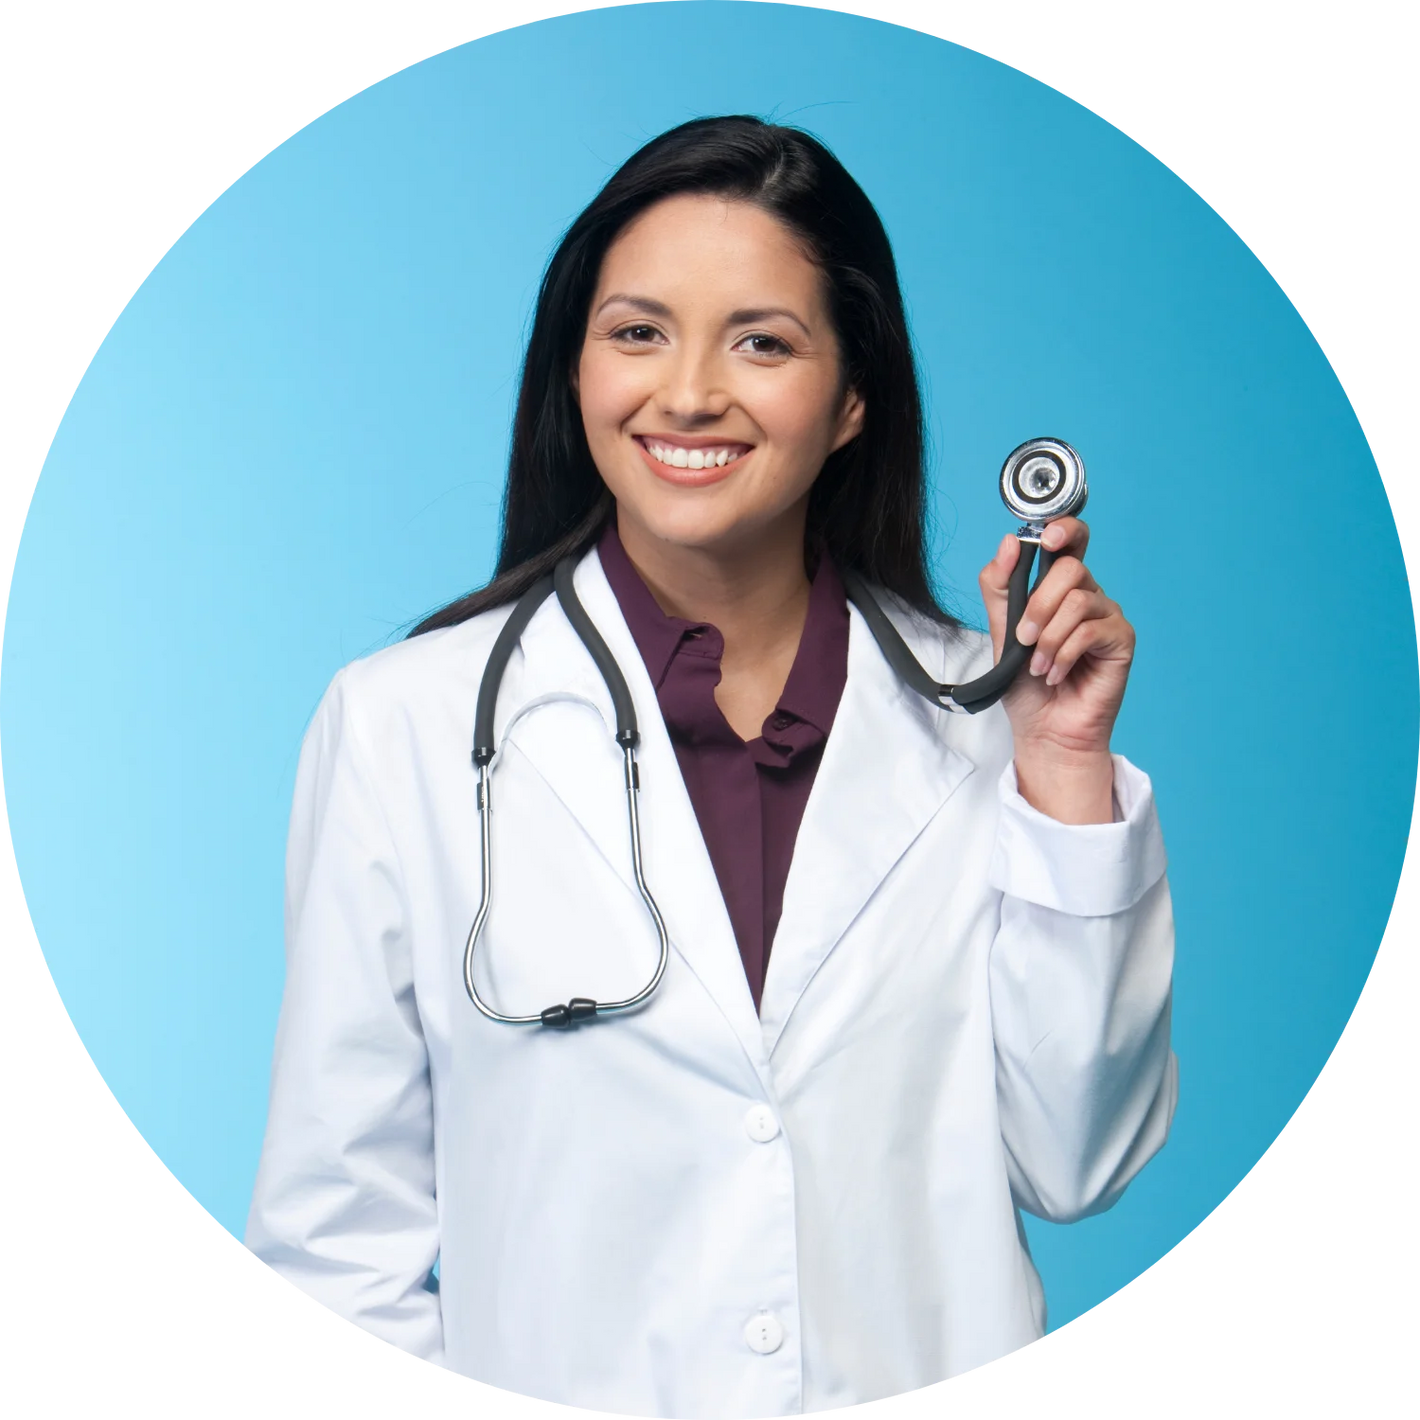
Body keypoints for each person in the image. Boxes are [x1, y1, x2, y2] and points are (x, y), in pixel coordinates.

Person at [245, 116, 1176, 1416]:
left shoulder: (991, 717)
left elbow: (1080, 1165)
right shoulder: (404, 723)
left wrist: (1066, 769)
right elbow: (336, 1246)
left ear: (854, 398)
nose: (687, 393)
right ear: (574, 368)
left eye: (762, 343)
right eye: (637, 332)